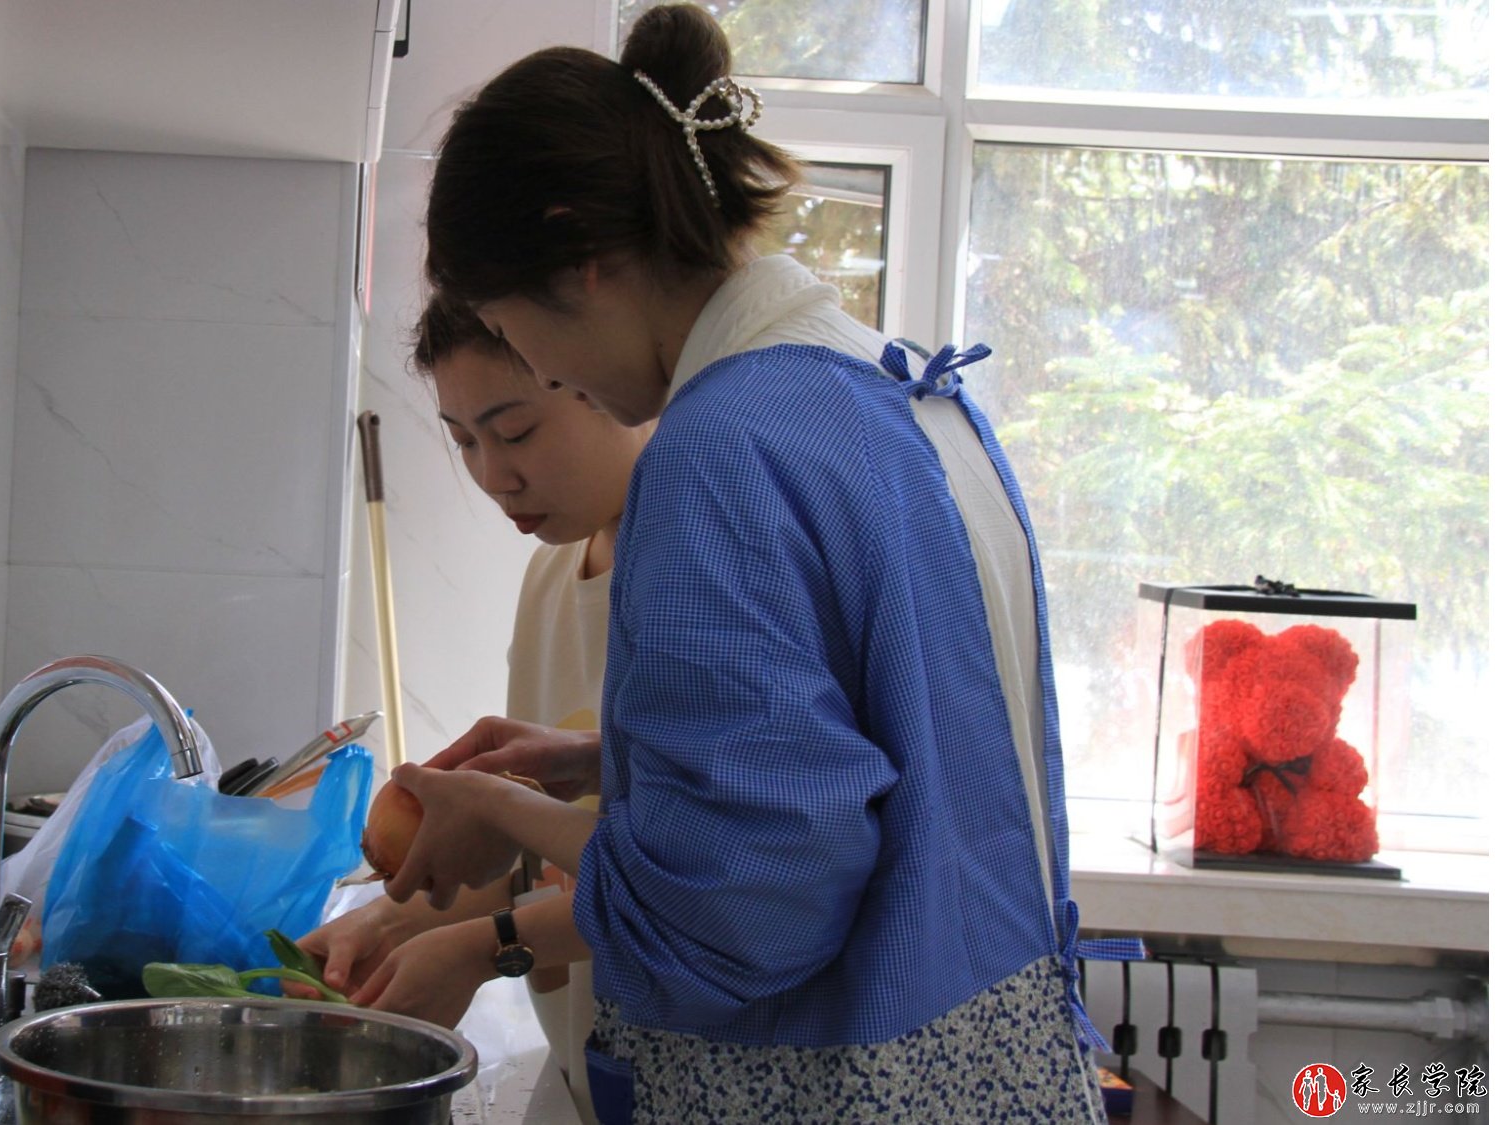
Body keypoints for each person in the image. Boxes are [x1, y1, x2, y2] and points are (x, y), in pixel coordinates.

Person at [373, 5, 1111, 1122]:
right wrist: (601, 757)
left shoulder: (715, 451)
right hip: (997, 1066)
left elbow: (741, 905)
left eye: (516, 333)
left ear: (583, 259)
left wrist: (500, 813)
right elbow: (884, 748)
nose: (544, 371)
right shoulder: (901, 388)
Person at [297, 294, 650, 1123]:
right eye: (463, 440)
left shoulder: (691, 581)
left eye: (516, 432)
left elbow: (699, 878)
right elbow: (550, 857)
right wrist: (391, 922)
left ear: (599, 376)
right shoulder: (553, 571)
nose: (493, 477)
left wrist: (484, 949)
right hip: (589, 1073)